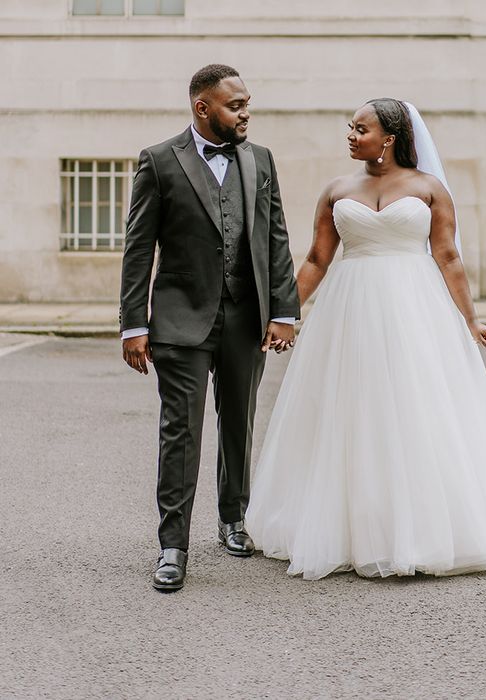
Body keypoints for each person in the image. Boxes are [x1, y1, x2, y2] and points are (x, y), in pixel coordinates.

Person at [244, 98, 486, 580]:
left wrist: (470, 320)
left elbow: (447, 256)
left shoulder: (430, 188)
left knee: (416, 405)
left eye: (360, 128)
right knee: (352, 410)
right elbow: (318, 260)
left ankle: (424, 524)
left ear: (388, 137)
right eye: (350, 127)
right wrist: (283, 314)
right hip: (349, 310)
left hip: (415, 309)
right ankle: (351, 522)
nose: (351, 134)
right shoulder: (336, 189)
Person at [119, 64, 300, 591]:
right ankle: (172, 545)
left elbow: (276, 240)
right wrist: (133, 323)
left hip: (247, 318)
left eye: (246, 103)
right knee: (181, 431)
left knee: (239, 422)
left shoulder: (260, 161)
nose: (246, 113)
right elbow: (138, 249)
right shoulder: (158, 161)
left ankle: (233, 519)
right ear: (203, 108)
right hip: (179, 319)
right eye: (235, 105)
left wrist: (283, 312)